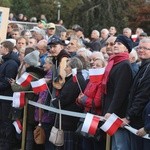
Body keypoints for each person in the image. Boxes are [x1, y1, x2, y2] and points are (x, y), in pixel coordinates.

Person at [102, 34, 133, 150]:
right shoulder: (114, 63)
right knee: (113, 144)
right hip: (112, 111)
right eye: (115, 43)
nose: (115, 45)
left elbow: (120, 93)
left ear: (126, 49)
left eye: (119, 44)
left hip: (118, 113)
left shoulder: (124, 65)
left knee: (120, 145)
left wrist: (111, 111)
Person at [52, 57, 87, 150]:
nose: (64, 68)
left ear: (73, 68)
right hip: (68, 120)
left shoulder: (75, 80)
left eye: (67, 66)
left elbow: (65, 98)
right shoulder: (74, 78)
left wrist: (54, 101)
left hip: (69, 121)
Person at [122, 38, 150, 150]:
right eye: (139, 48)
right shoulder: (143, 66)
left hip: (142, 123)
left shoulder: (148, 68)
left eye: (145, 48)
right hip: (138, 120)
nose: (141, 50)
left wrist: (129, 116)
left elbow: (142, 95)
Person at [0, 41, 20, 149]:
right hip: (3, 97)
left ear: (7, 49)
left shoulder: (11, 63)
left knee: (6, 122)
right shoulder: (6, 61)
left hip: (6, 98)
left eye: (1, 47)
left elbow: (7, 82)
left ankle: (6, 145)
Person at [34, 56, 55, 150]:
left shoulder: (51, 78)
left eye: (46, 63)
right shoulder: (47, 76)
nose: (44, 65)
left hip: (46, 114)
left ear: (51, 65)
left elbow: (45, 96)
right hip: (41, 113)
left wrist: (41, 103)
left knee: (47, 139)